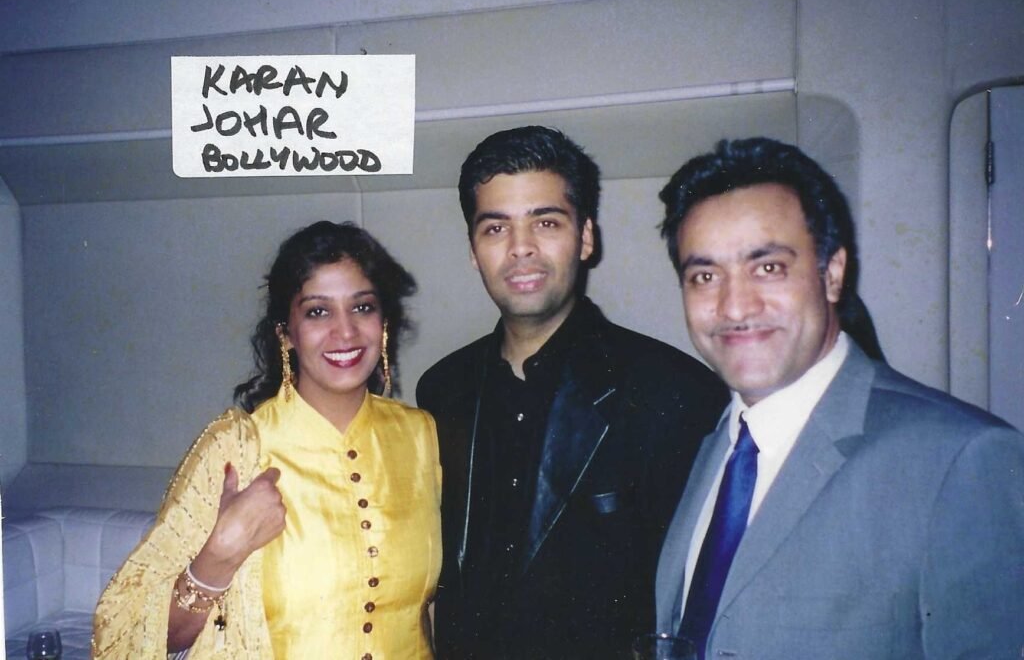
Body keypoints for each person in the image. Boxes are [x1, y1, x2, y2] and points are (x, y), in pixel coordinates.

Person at [654, 137, 1024, 659]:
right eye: (705, 276)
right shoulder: (712, 443)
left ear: (831, 274)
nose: (734, 307)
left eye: (768, 267)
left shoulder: (959, 459)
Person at [416, 126, 728, 659]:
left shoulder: (672, 393)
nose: (521, 248)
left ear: (585, 237)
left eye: (546, 222)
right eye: (496, 228)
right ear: (473, 249)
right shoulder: (443, 389)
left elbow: (695, 604)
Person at [93, 221, 441, 659]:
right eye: (317, 312)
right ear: (286, 333)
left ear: (383, 321)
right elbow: (122, 641)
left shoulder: (421, 435)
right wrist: (221, 554)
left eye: (362, 307)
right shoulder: (237, 450)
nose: (346, 332)